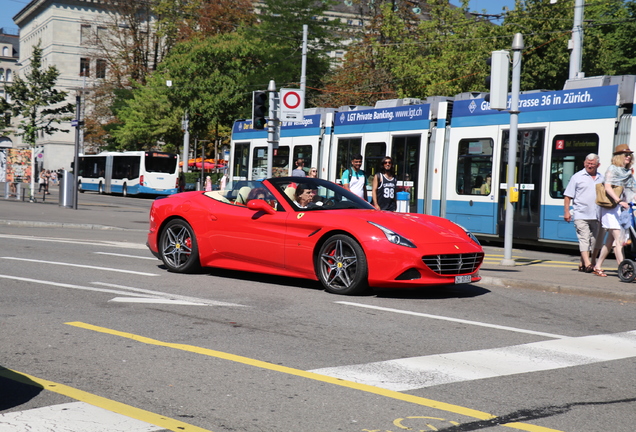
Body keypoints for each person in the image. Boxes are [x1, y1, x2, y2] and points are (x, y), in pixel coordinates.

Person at [594, 144, 635, 277]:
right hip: (611, 208)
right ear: (619, 156)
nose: (628, 156)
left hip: (622, 209)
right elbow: (607, 187)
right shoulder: (612, 169)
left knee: (610, 241)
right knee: (620, 240)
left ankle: (598, 265)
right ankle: (624, 271)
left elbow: (632, 190)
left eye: (629, 154)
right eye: (626, 154)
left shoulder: (627, 172)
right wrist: (618, 200)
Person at [563, 154, 604, 273]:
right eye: (588, 163)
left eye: (592, 164)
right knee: (584, 239)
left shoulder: (601, 178)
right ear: (584, 163)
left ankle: (582, 262)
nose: (589, 166)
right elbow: (567, 196)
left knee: (595, 240)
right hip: (581, 214)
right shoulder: (577, 177)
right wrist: (566, 212)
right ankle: (588, 264)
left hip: (596, 215)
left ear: (598, 165)